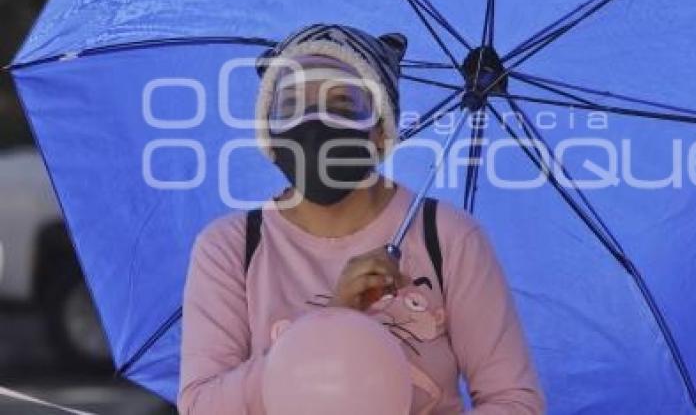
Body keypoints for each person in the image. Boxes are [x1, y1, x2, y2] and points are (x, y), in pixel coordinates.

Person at [177, 23, 545, 414]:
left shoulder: (449, 238)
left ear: (380, 131)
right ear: (269, 132)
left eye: (342, 107)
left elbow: (514, 402)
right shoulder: (231, 248)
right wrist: (330, 325)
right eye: (291, 106)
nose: (315, 124)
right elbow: (201, 406)